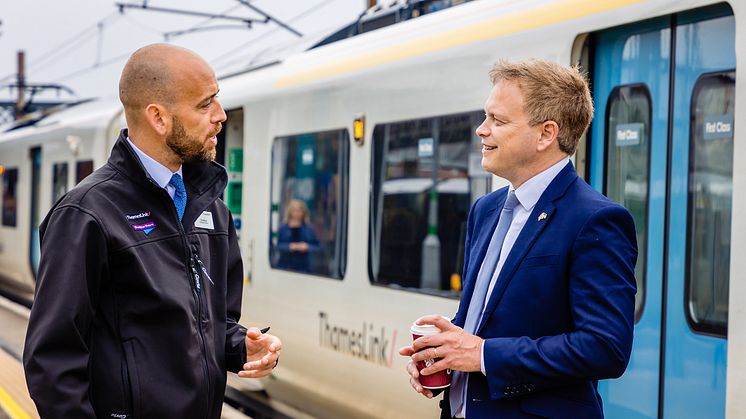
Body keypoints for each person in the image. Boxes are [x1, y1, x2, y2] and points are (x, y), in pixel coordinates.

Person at [23, 44, 282, 419]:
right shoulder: (86, 213)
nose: (220, 116)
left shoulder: (212, 209)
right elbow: (52, 360)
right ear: (158, 118)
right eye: (205, 104)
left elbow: (211, 324)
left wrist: (242, 346)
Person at [399, 59, 637, 419]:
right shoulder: (486, 210)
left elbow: (606, 347)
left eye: (498, 120)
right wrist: (445, 355)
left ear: (546, 134)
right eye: (485, 117)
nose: (482, 130)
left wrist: (482, 355)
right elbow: (485, 322)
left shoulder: (596, 220)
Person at [276, 199, 319, 272]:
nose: (296, 213)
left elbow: (317, 246)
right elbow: (278, 245)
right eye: (294, 210)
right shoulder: (283, 228)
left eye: (299, 210)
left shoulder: (309, 228)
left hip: (304, 268)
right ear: (290, 212)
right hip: (285, 266)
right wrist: (290, 246)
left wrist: (307, 247)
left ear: (303, 212)